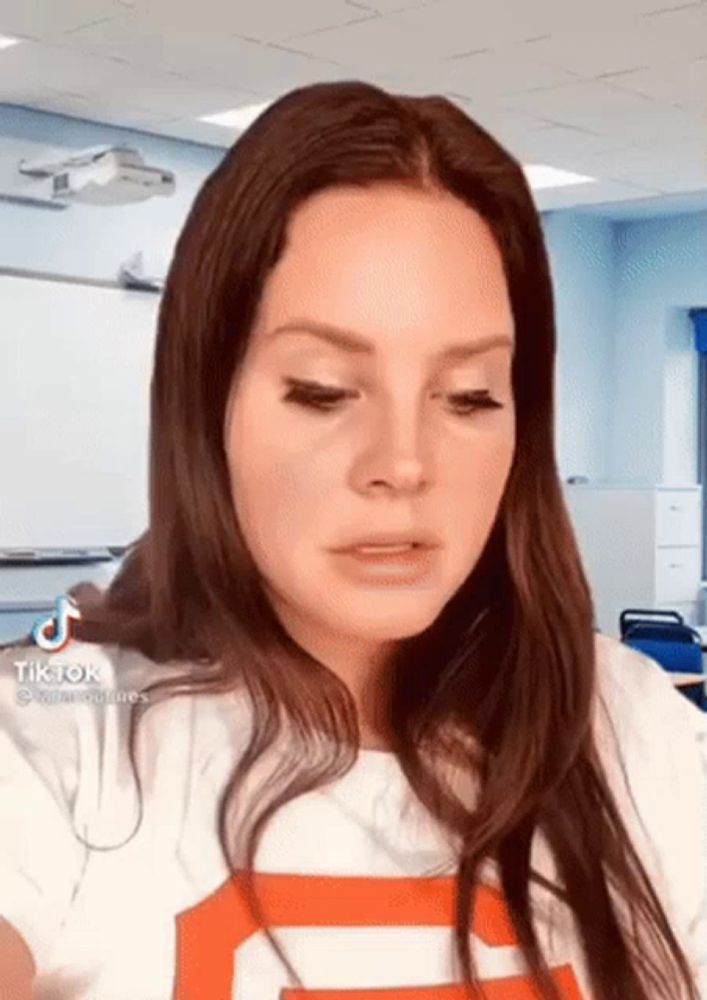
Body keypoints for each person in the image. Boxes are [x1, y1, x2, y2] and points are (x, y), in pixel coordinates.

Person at [0, 79, 704, 1000]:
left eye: (469, 398)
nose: (402, 464)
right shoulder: (61, 734)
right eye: (324, 392)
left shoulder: (628, 727)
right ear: (207, 402)